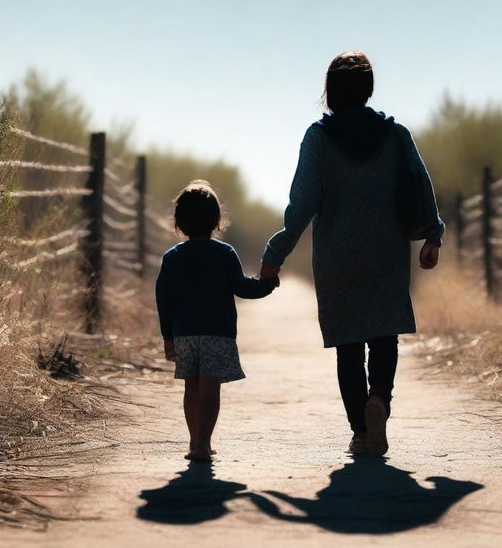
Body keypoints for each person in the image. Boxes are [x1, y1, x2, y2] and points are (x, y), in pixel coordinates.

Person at [260, 51, 444, 456]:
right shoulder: (396, 135)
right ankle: (379, 397)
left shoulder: (318, 139)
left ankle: (361, 430)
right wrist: (433, 234)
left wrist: (275, 253)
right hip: (387, 250)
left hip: (336, 257)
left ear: (330, 91)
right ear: (369, 88)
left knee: (348, 344)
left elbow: (302, 203)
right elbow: (420, 184)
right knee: (383, 335)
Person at [156, 180, 278, 462]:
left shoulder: (172, 258)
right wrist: (268, 284)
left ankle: (194, 441)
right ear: (216, 221)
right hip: (218, 334)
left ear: (179, 223)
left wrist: (168, 336)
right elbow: (243, 288)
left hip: (185, 334)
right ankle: (203, 442)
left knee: (191, 388)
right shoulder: (225, 254)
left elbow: (163, 299)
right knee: (210, 389)